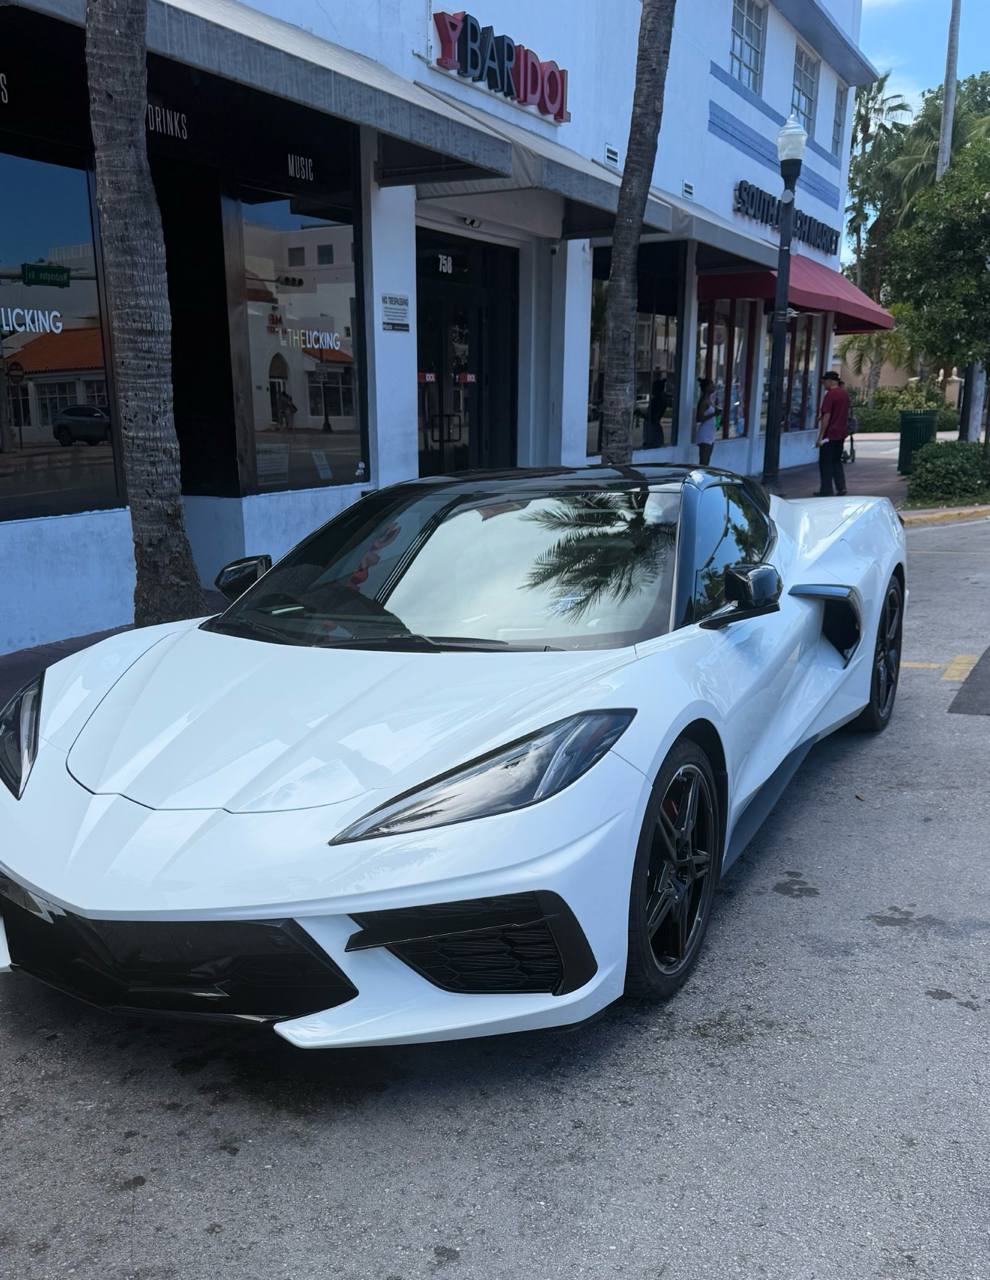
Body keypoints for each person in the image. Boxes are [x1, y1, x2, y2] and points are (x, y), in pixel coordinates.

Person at [816, 371, 850, 496]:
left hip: (829, 434)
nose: (824, 384)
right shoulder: (844, 395)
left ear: (830, 381)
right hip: (841, 433)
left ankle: (826, 489)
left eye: (825, 381)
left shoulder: (830, 395)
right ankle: (841, 487)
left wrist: (820, 437)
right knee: (836, 461)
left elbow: (827, 417)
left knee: (825, 462)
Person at [696, 378, 718, 466]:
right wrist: (713, 414)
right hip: (705, 434)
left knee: (707, 461)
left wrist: (718, 421)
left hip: (711, 433)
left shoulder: (710, 401)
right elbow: (699, 418)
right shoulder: (704, 402)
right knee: (703, 462)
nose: (714, 388)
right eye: (711, 386)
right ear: (706, 388)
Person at [643, 376, 669, 448]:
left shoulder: (657, 401)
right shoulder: (661, 399)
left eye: (653, 387)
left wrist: (642, 415)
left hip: (653, 430)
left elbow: (654, 417)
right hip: (654, 429)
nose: (652, 389)